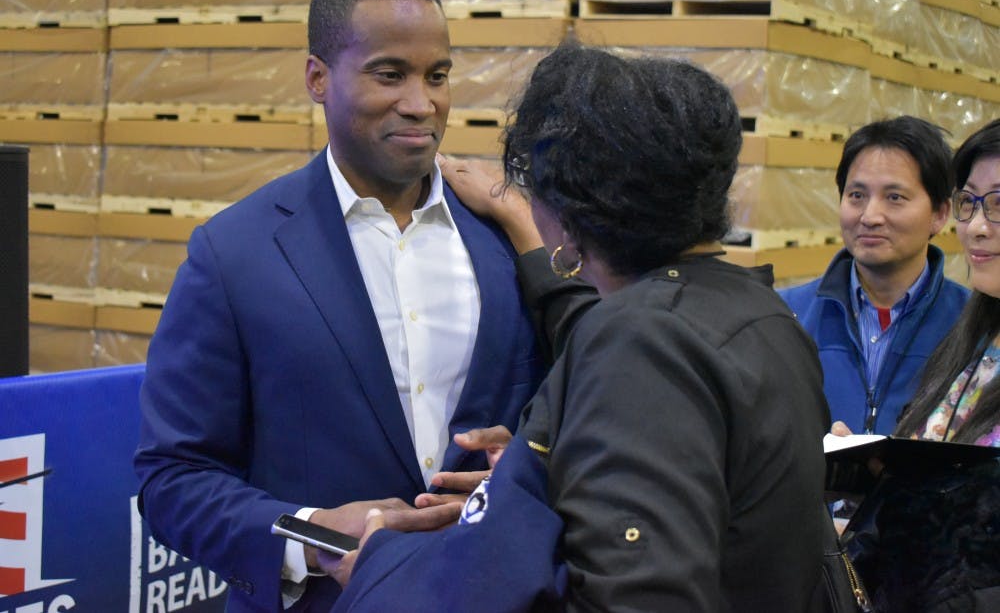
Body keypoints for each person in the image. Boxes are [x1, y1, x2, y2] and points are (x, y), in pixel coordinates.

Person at [327, 43, 833, 612]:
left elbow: (633, 594)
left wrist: (388, 571)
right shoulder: (760, 310)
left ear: (571, 206)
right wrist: (539, 477)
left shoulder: (640, 341)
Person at [133, 0, 543, 612]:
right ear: (317, 78)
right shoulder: (233, 254)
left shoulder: (505, 238)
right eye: (390, 74)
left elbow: (563, 419)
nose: (421, 103)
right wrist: (313, 532)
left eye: (437, 76)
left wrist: (518, 473)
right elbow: (173, 480)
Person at [842, 119, 1000, 611]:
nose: (975, 225)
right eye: (971, 202)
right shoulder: (975, 340)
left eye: (999, 204)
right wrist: (879, 477)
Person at [780, 116, 969, 435]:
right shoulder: (786, 316)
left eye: (894, 197)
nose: (870, 216)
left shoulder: (974, 327)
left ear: (939, 214)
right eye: (856, 195)